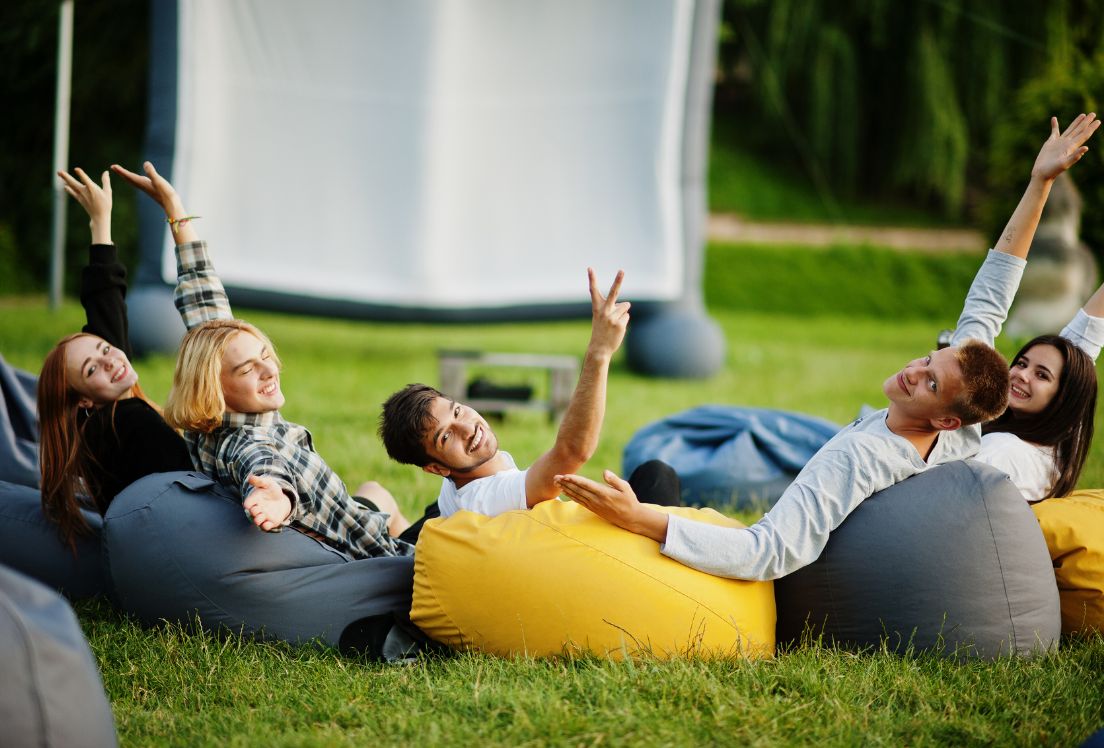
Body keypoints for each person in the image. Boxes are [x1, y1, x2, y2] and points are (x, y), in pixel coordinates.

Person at [554, 113, 1100, 581]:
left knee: (656, 482)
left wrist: (639, 518)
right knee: (663, 469)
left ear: (947, 420)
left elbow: (765, 551)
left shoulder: (870, 458)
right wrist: (1040, 184)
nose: (914, 371)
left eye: (930, 382)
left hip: (779, 573)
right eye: (928, 360)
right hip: (831, 504)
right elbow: (992, 296)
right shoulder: (963, 426)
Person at [110, 162, 413, 559]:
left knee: (375, 492)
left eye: (265, 355)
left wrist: (175, 210)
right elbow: (262, 466)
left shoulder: (216, 419)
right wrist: (274, 498)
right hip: (375, 557)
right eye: (249, 368)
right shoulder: (246, 442)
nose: (270, 370)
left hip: (355, 521)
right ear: (215, 387)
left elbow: (206, 302)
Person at [379, 271, 680, 518]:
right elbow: (572, 453)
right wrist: (599, 353)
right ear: (436, 468)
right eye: (446, 437)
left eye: (457, 411)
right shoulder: (485, 499)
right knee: (657, 478)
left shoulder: (457, 488)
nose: (467, 428)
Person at [38, 168, 193, 551]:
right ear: (83, 399)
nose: (110, 359)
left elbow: (106, 314)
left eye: (105, 349)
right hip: (190, 553)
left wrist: (100, 222)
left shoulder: (101, 426)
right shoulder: (128, 422)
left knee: (370, 490)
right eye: (92, 368)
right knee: (370, 489)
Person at [975, 279, 1104, 500]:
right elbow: (1087, 333)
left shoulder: (1001, 451)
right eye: (1022, 363)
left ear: (1065, 398)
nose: (1021, 375)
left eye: (1042, 375)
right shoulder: (1056, 449)